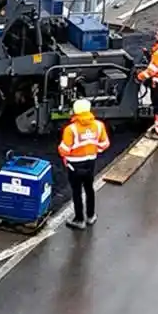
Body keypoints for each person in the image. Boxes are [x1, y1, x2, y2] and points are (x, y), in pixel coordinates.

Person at [57, 98, 110, 229]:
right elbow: (105, 144)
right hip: (90, 162)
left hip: (74, 165)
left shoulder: (71, 129)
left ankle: (79, 219)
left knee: (76, 191)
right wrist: (93, 150)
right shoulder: (98, 125)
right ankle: (91, 216)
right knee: (89, 188)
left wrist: (64, 154)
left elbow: (64, 149)